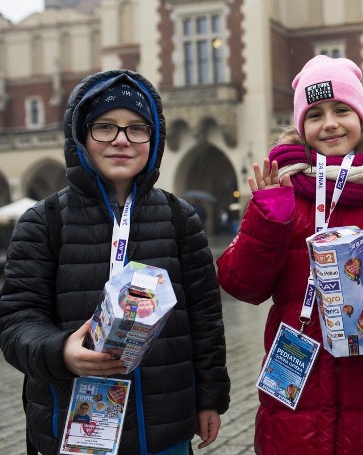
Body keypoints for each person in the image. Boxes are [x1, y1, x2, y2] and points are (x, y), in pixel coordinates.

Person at [0, 69, 231, 454]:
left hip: (163, 430)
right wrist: (60, 352)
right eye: (105, 127)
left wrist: (210, 397)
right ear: (81, 136)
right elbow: (16, 322)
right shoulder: (44, 221)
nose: (122, 140)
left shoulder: (180, 219)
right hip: (72, 429)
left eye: (137, 128)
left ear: (153, 138)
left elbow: (206, 320)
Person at [217, 55, 363, 454]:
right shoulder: (283, 187)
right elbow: (241, 283)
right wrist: (267, 222)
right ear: (300, 126)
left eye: (342, 110)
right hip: (296, 395)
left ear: (361, 117)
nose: (329, 123)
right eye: (315, 114)